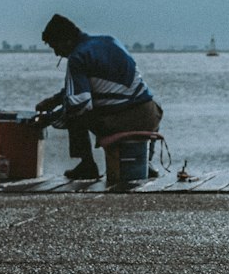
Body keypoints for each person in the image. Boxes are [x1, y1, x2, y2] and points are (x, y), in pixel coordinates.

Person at [36, 13, 162, 183]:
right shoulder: (109, 41)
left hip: (124, 120)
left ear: (66, 41)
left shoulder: (77, 57)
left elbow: (79, 104)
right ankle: (145, 161)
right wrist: (54, 100)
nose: (57, 53)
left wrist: (48, 119)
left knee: (75, 113)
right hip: (150, 115)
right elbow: (99, 86)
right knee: (150, 105)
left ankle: (87, 165)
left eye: (55, 47)